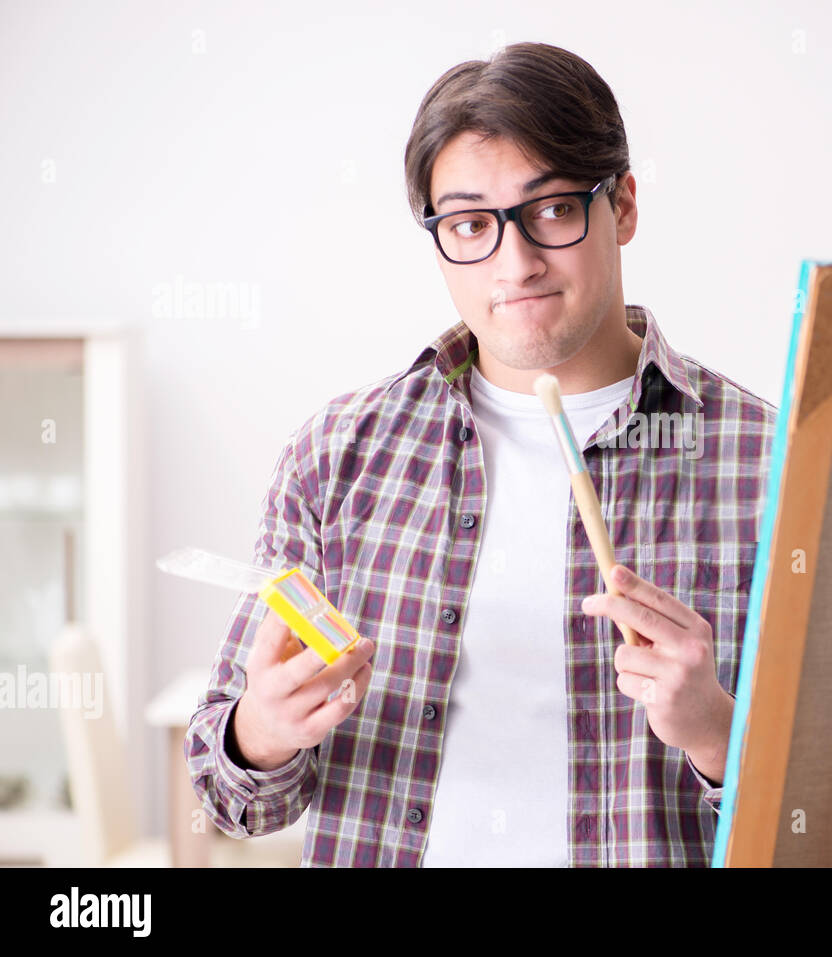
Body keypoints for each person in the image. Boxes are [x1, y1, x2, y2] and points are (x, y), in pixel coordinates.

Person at [186, 40, 777, 867]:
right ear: (438, 238)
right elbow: (227, 793)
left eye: (554, 209)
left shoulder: (766, 463)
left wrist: (719, 734)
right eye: (470, 224)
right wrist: (261, 732)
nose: (516, 262)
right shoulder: (338, 455)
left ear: (625, 206)